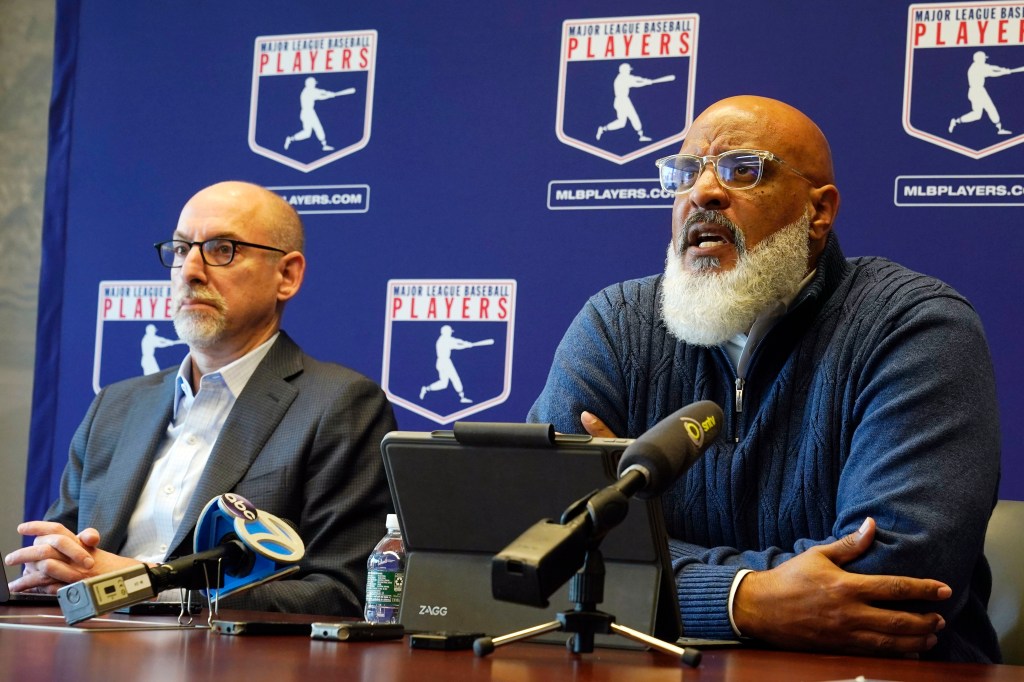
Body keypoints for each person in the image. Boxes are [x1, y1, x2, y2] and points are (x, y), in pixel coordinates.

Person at [529, 96, 1001, 663]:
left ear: (818, 212)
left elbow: (893, 572)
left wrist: (635, 555)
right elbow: (538, 545)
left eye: (741, 170)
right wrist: (741, 599)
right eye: (685, 174)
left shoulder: (914, 326)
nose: (703, 193)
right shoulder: (615, 326)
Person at [6, 181, 397, 617]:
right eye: (179, 249)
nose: (190, 270)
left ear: (286, 275)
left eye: (222, 249)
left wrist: (141, 585)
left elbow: (342, 593)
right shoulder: (114, 407)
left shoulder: (339, 406)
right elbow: (64, 559)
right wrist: (50, 565)